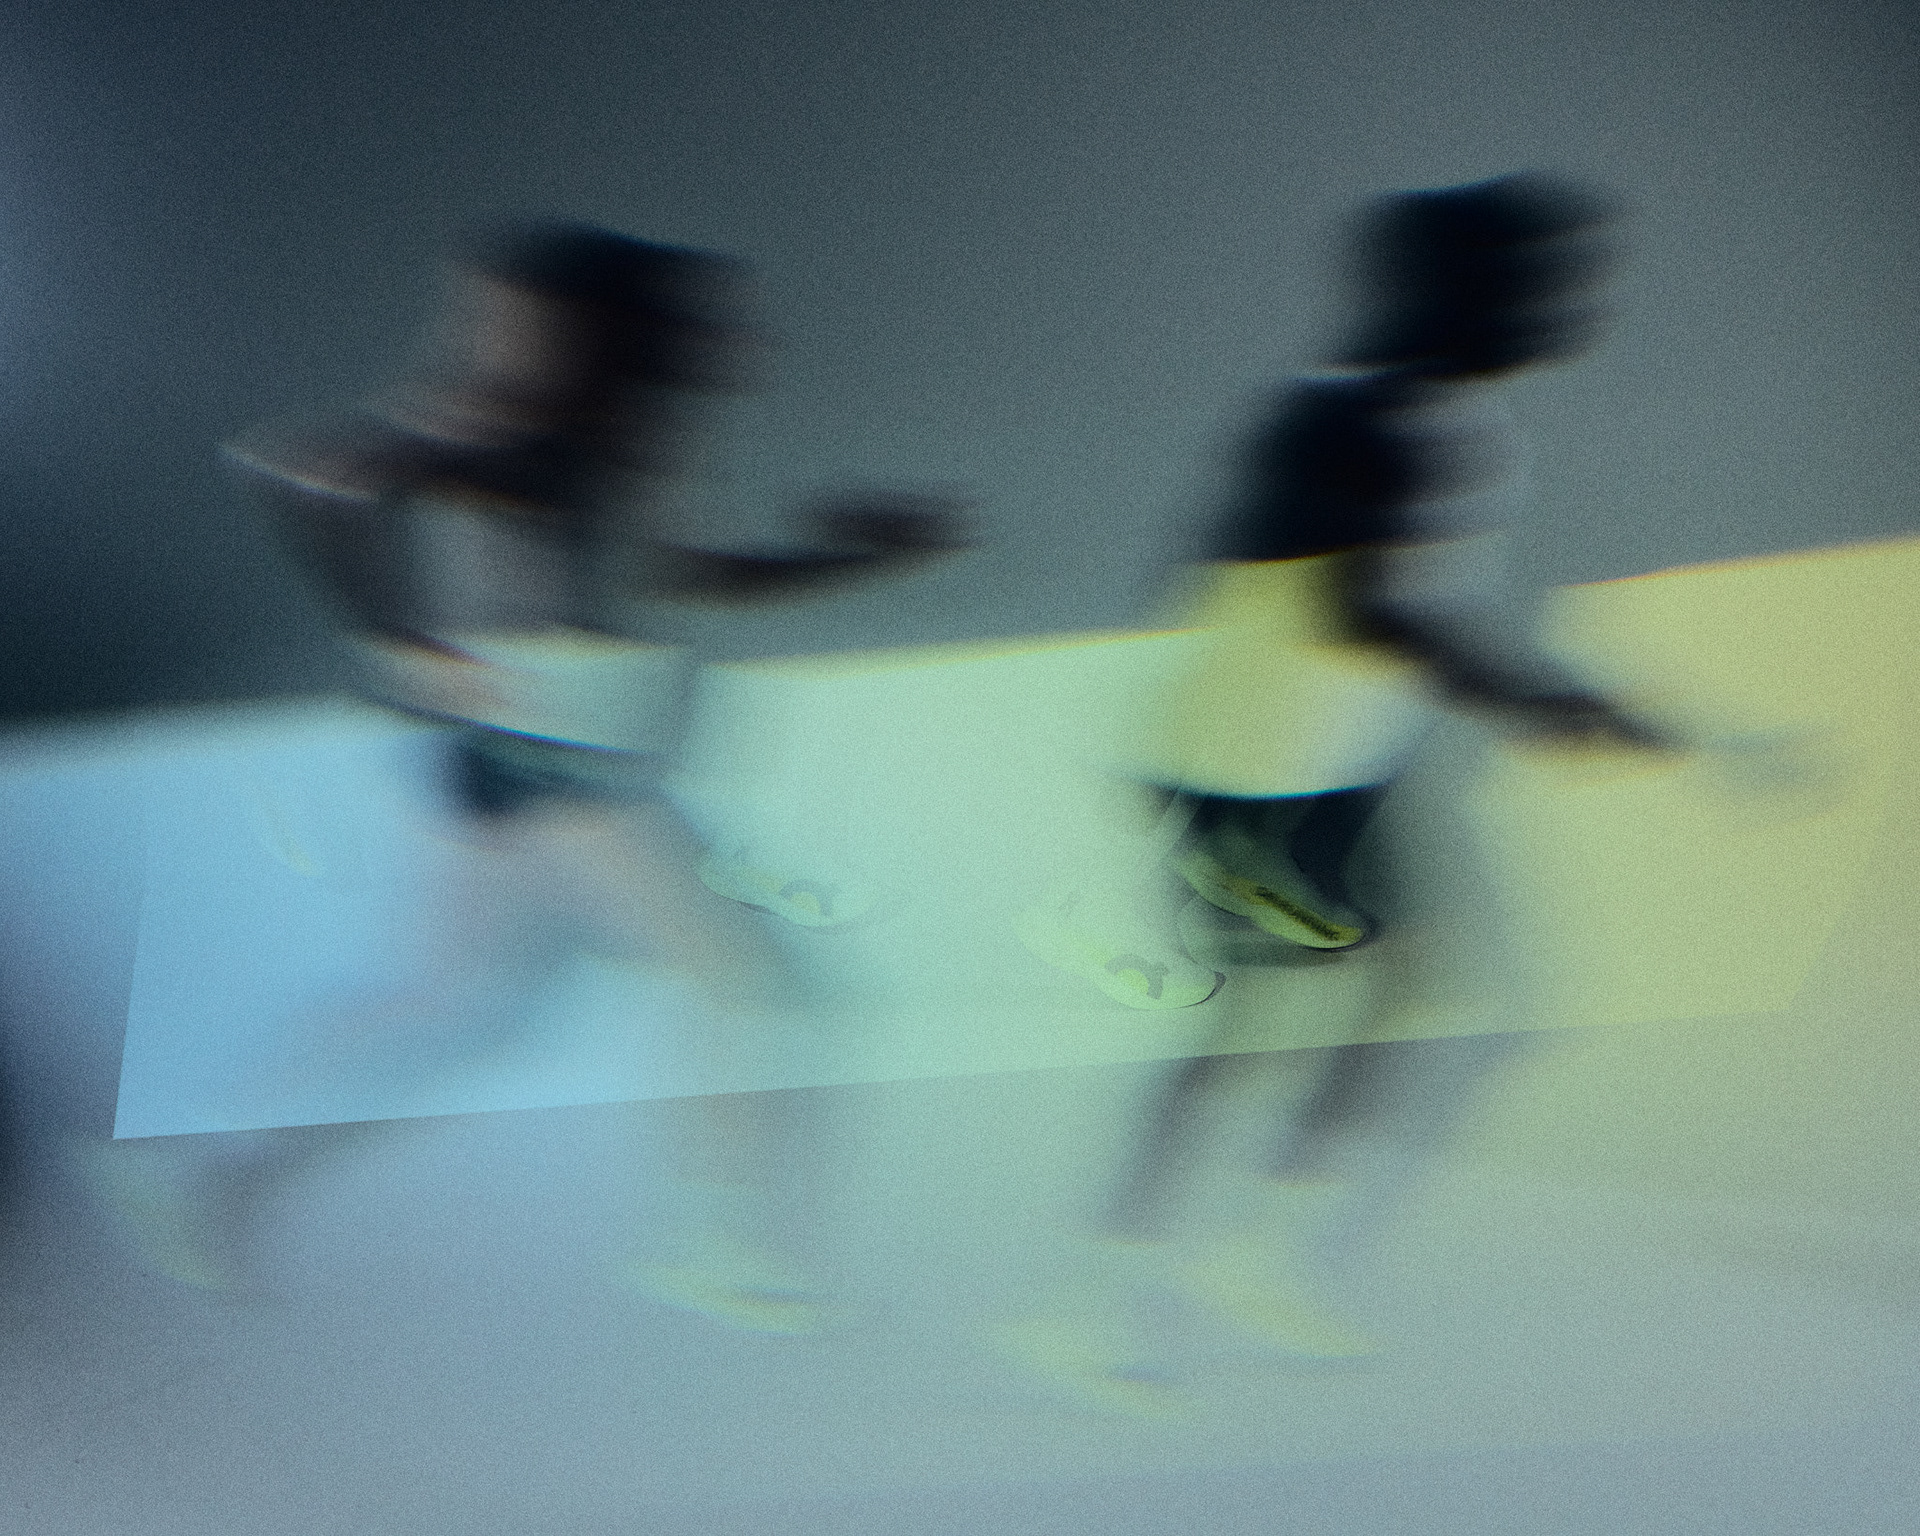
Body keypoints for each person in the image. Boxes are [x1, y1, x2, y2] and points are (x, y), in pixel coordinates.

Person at [83, 220, 970, 1331]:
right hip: (557, 766)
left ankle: (202, 1176)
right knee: (751, 981)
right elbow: (306, 476)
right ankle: (722, 1242)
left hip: (543, 761)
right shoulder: (520, 430)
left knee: (465, 1005)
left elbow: (689, 572)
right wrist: (393, 637)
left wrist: (858, 555)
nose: (735, 349)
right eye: (708, 328)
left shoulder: (605, 435)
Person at [1003, 173, 1677, 1410]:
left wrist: (1529, 698)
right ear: (1459, 292)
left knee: (1410, 993)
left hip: (1338, 767)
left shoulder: (1432, 420)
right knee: (1245, 1032)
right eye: (1537, 283)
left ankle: (1254, 1253)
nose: (1563, 308)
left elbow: (1357, 607)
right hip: (1245, 777)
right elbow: (1366, 610)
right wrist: (1538, 701)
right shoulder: (1339, 420)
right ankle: (1088, 1302)